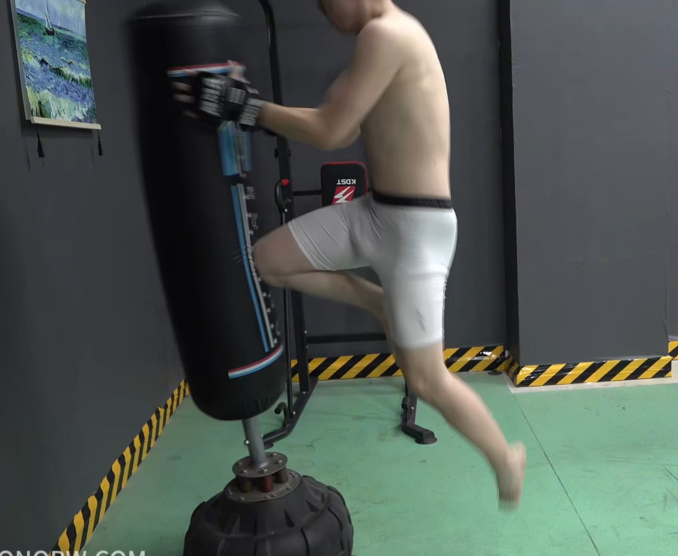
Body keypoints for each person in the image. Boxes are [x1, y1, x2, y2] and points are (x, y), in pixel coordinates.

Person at [174, 0, 526, 509]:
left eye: (324, 2)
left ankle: (505, 457)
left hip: (416, 231)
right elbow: (342, 121)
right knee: (267, 260)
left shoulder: (389, 34)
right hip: (373, 213)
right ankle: (375, 301)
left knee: (426, 377)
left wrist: (245, 108)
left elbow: (331, 132)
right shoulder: (374, 43)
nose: (325, 13)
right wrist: (244, 100)